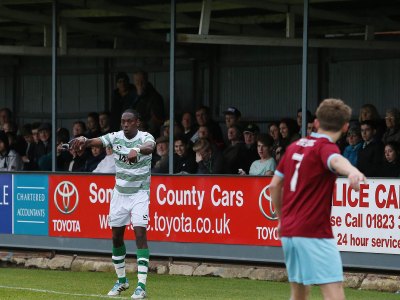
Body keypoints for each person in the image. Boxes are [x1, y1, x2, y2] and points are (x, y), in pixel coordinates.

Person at [269, 98, 366, 300]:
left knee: (299, 294)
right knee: (334, 292)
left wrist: (281, 219)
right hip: (314, 232)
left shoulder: (294, 147)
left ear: (316, 123)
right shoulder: (325, 147)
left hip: (289, 232)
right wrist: (352, 171)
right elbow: (335, 161)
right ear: (346, 127)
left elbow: (274, 186)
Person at [71, 109, 155, 299]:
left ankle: (141, 286)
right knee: (116, 237)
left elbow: (150, 147)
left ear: (137, 123)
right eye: (123, 121)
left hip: (140, 193)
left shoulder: (145, 137)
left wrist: (137, 149)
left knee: (140, 233)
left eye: (129, 121)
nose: (125, 124)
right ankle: (122, 280)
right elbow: (95, 142)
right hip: (120, 195)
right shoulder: (115, 137)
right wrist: (82, 140)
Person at [132, 70, 165, 139]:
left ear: (146, 81)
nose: (140, 84)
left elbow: (157, 120)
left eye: (142, 81)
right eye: (137, 81)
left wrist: (144, 127)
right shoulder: (132, 96)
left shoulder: (155, 97)